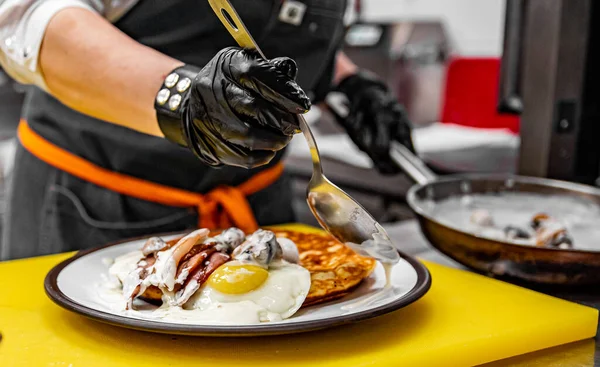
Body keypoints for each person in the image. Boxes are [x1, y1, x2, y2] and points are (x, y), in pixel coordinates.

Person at [0, 0, 415, 260]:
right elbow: (28, 17)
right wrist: (180, 96)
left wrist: (343, 80)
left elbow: (288, 17)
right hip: (94, 209)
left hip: (256, 208)